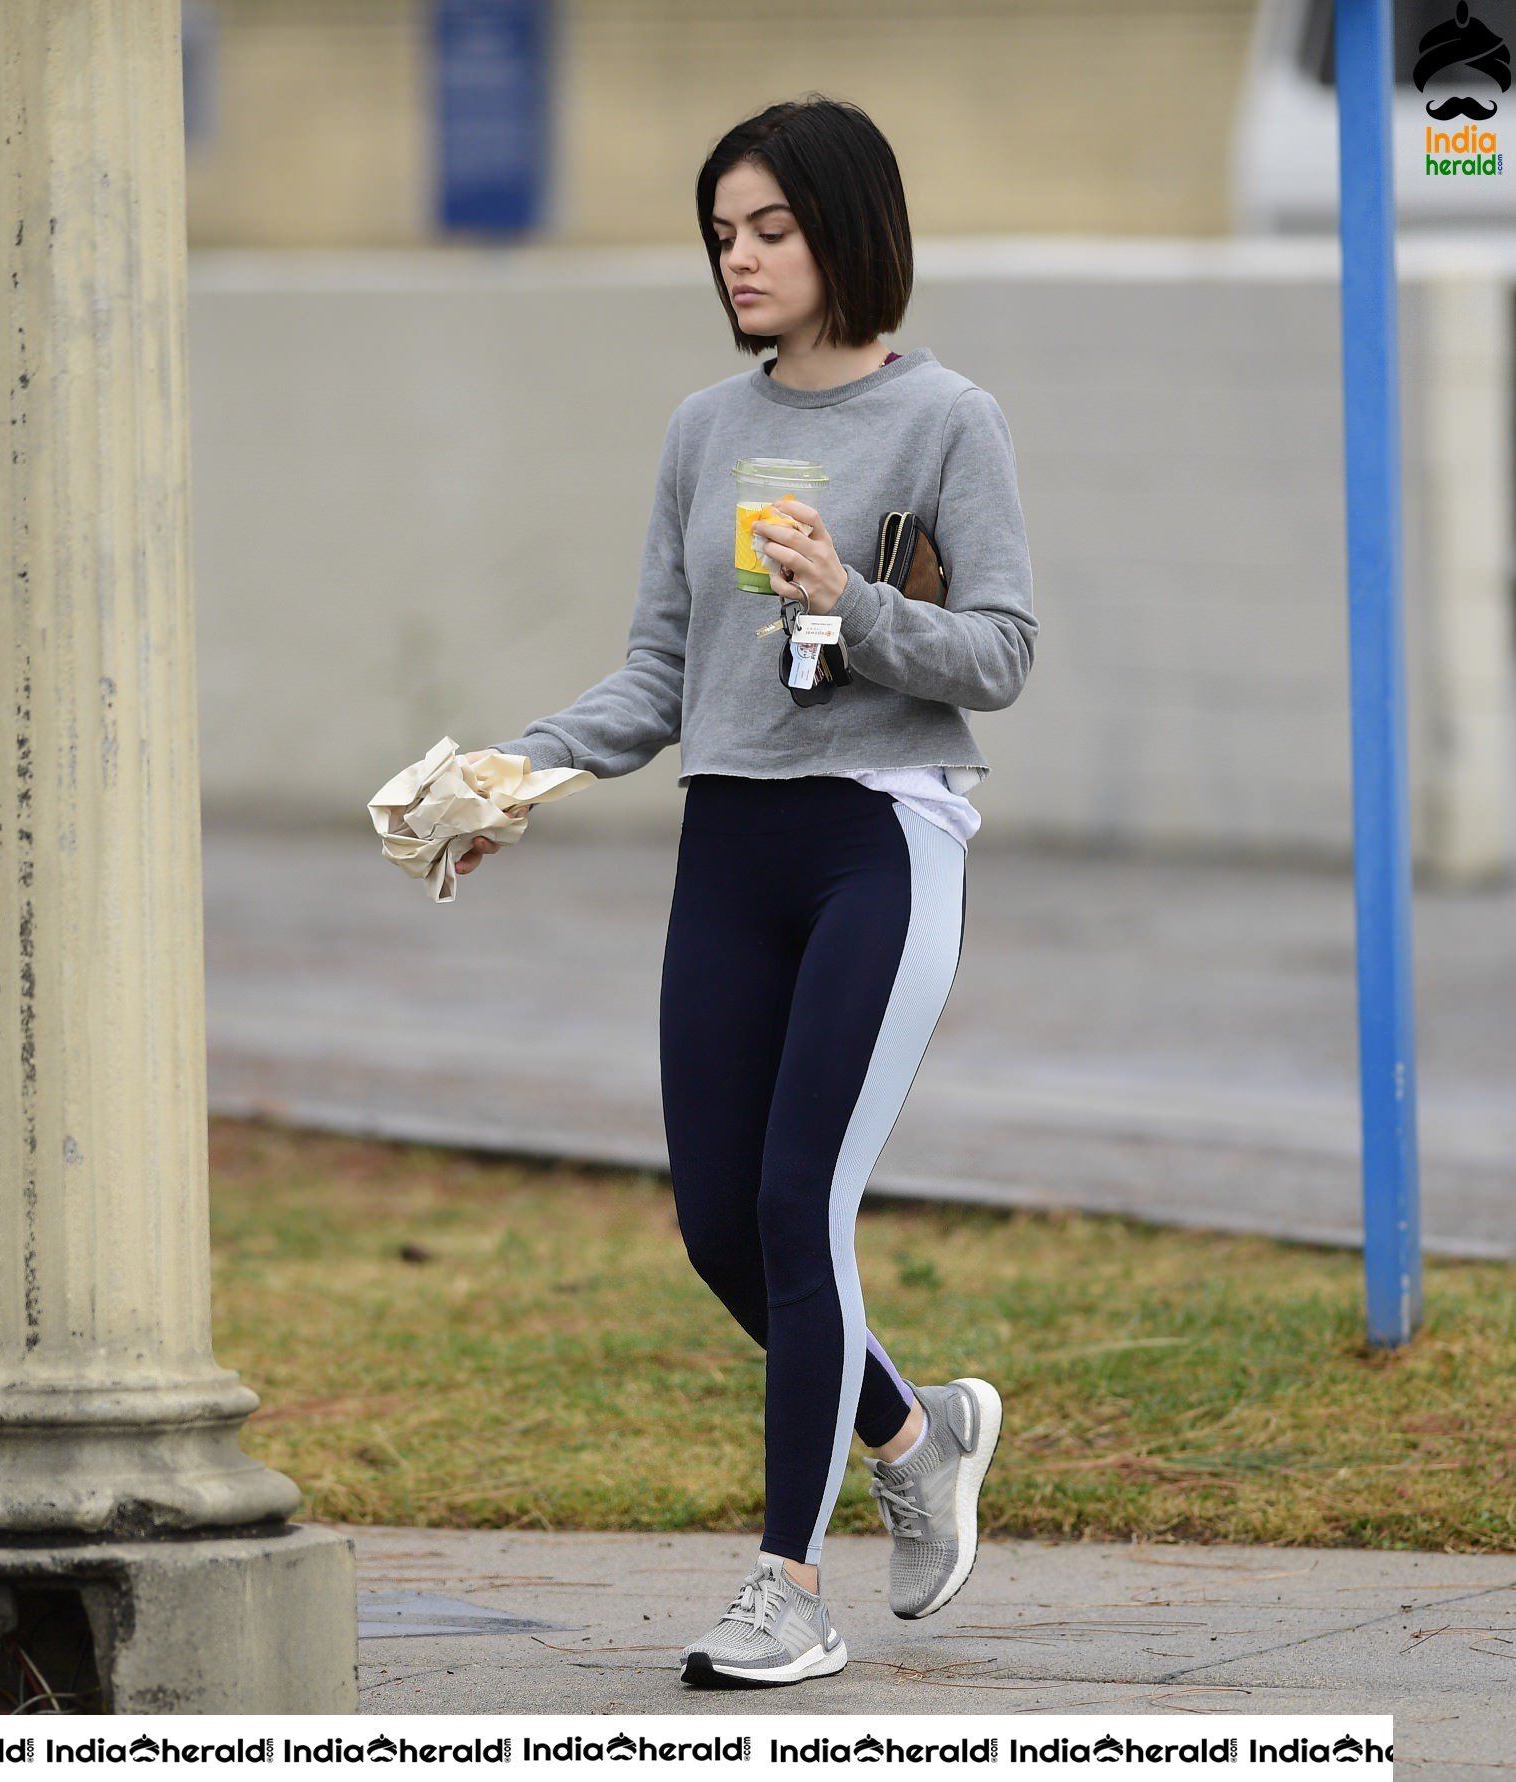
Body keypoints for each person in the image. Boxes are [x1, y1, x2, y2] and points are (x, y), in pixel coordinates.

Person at [457, 93, 1035, 1689]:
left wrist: (852, 609)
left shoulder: (946, 421)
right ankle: (918, 1436)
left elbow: (999, 650)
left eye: (770, 229)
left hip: (878, 834)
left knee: (798, 1202)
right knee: (719, 1223)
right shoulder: (702, 429)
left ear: (847, 228)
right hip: (730, 840)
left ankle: (789, 1581)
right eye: (723, 234)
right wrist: (518, 773)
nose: (741, 259)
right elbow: (660, 670)